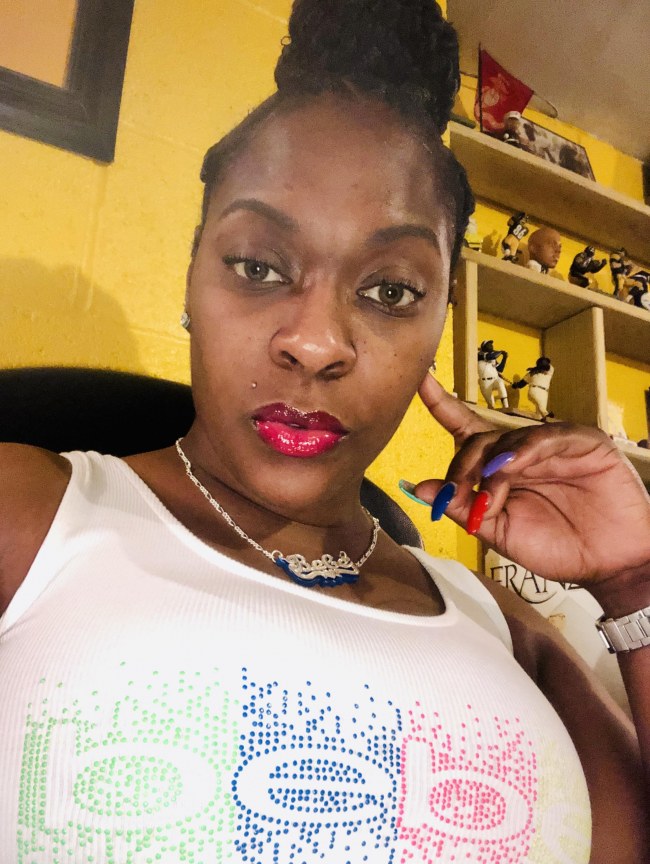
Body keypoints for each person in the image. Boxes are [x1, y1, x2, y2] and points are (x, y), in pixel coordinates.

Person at [0, 1, 648, 862]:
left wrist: (636, 585)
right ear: (191, 276)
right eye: (258, 265)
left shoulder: (498, 622)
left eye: (390, 291)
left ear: (440, 321)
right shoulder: (30, 517)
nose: (314, 342)